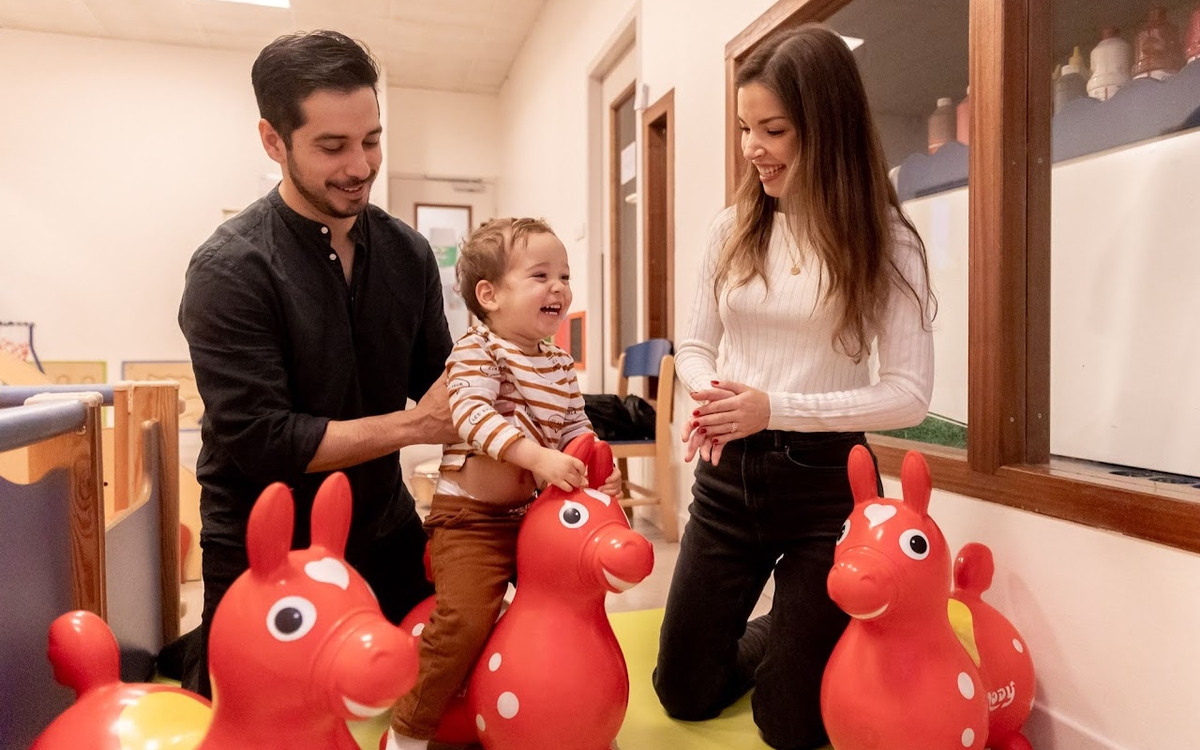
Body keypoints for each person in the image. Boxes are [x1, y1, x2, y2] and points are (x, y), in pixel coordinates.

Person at [652, 24, 936, 750]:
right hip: (728, 480)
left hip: (825, 491)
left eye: (772, 130)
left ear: (827, 128)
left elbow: (908, 393)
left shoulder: (887, 242)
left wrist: (774, 407)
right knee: (683, 694)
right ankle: (787, 629)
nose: (752, 148)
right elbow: (694, 342)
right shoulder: (733, 228)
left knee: (791, 724)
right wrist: (714, 396)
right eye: (746, 127)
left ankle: (804, 630)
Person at [174, 30, 456, 698]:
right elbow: (264, 441)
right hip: (265, 544)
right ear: (274, 141)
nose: (359, 165)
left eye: (371, 140)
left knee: (445, 682)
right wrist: (414, 429)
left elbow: (438, 376)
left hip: (383, 527)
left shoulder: (408, 253)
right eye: (332, 147)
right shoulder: (230, 270)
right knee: (254, 711)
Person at [387, 218, 620, 750]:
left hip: (529, 519)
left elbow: (575, 427)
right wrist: (537, 456)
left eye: (564, 275)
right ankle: (410, 729)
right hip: (469, 522)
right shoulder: (478, 350)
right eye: (540, 275)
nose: (558, 287)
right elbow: (470, 414)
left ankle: (578, 711)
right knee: (466, 619)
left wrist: (596, 472)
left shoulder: (559, 363)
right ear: (488, 295)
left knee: (573, 606)